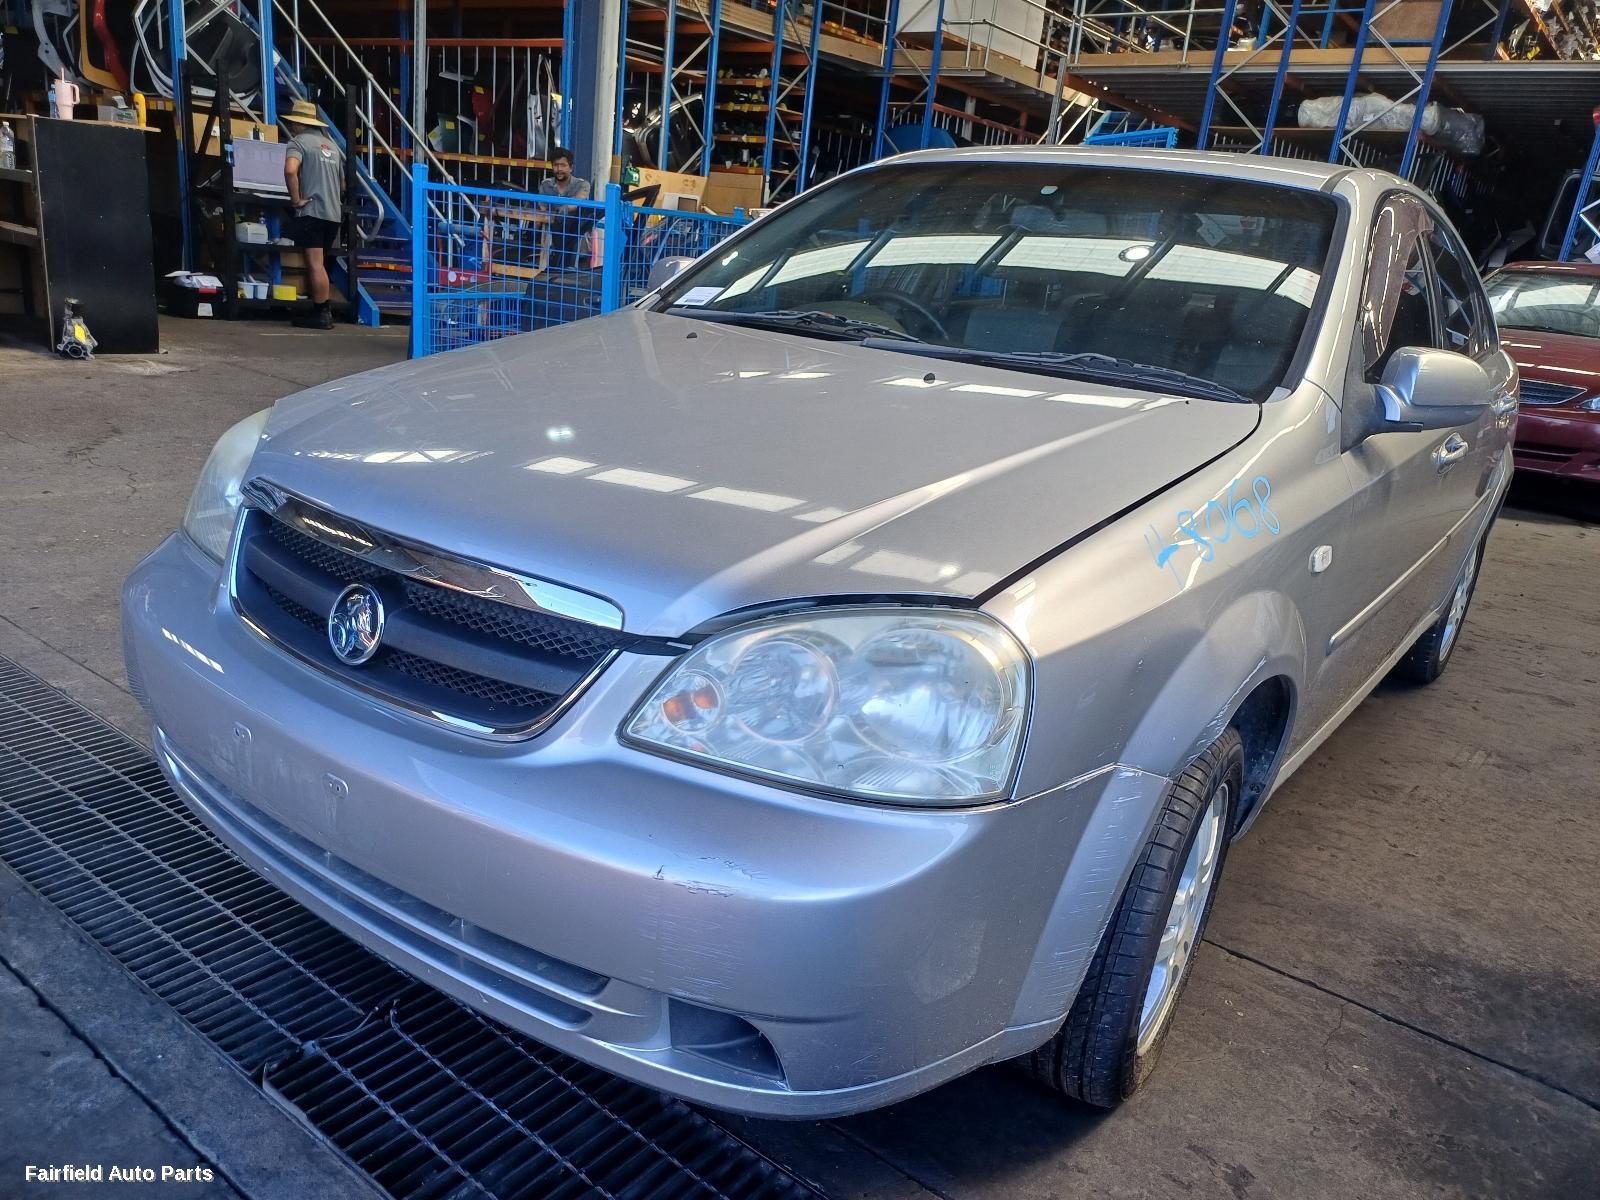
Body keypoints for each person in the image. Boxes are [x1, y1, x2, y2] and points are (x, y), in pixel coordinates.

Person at [282, 98, 345, 330]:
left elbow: (290, 170)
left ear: (300, 124)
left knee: (315, 264)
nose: (292, 127)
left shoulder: (298, 143)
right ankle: (320, 309)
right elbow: (343, 185)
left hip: (313, 211)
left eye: (293, 123)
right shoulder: (332, 146)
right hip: (333, 214)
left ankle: (321, 313)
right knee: (322, 263)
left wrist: (296, 199)